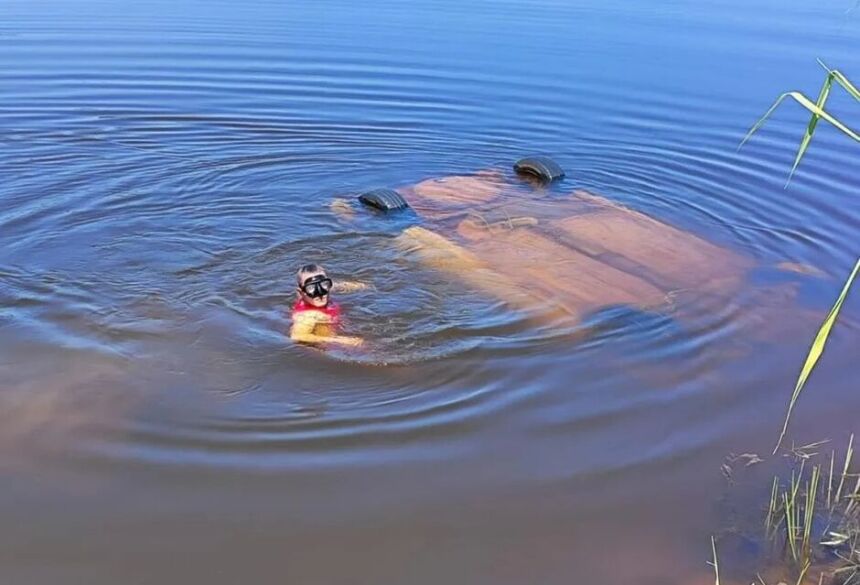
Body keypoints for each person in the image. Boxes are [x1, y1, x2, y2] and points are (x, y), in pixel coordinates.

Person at [289, 263, 365, 347]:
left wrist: (358, 286)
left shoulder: (311, 296)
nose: (320, 293)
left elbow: (330, 286)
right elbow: (297, 336)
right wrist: (340, 340)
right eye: (311, 288)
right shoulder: (308, 316)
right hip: (329, 343)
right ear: (301, 292)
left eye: (324, 285)